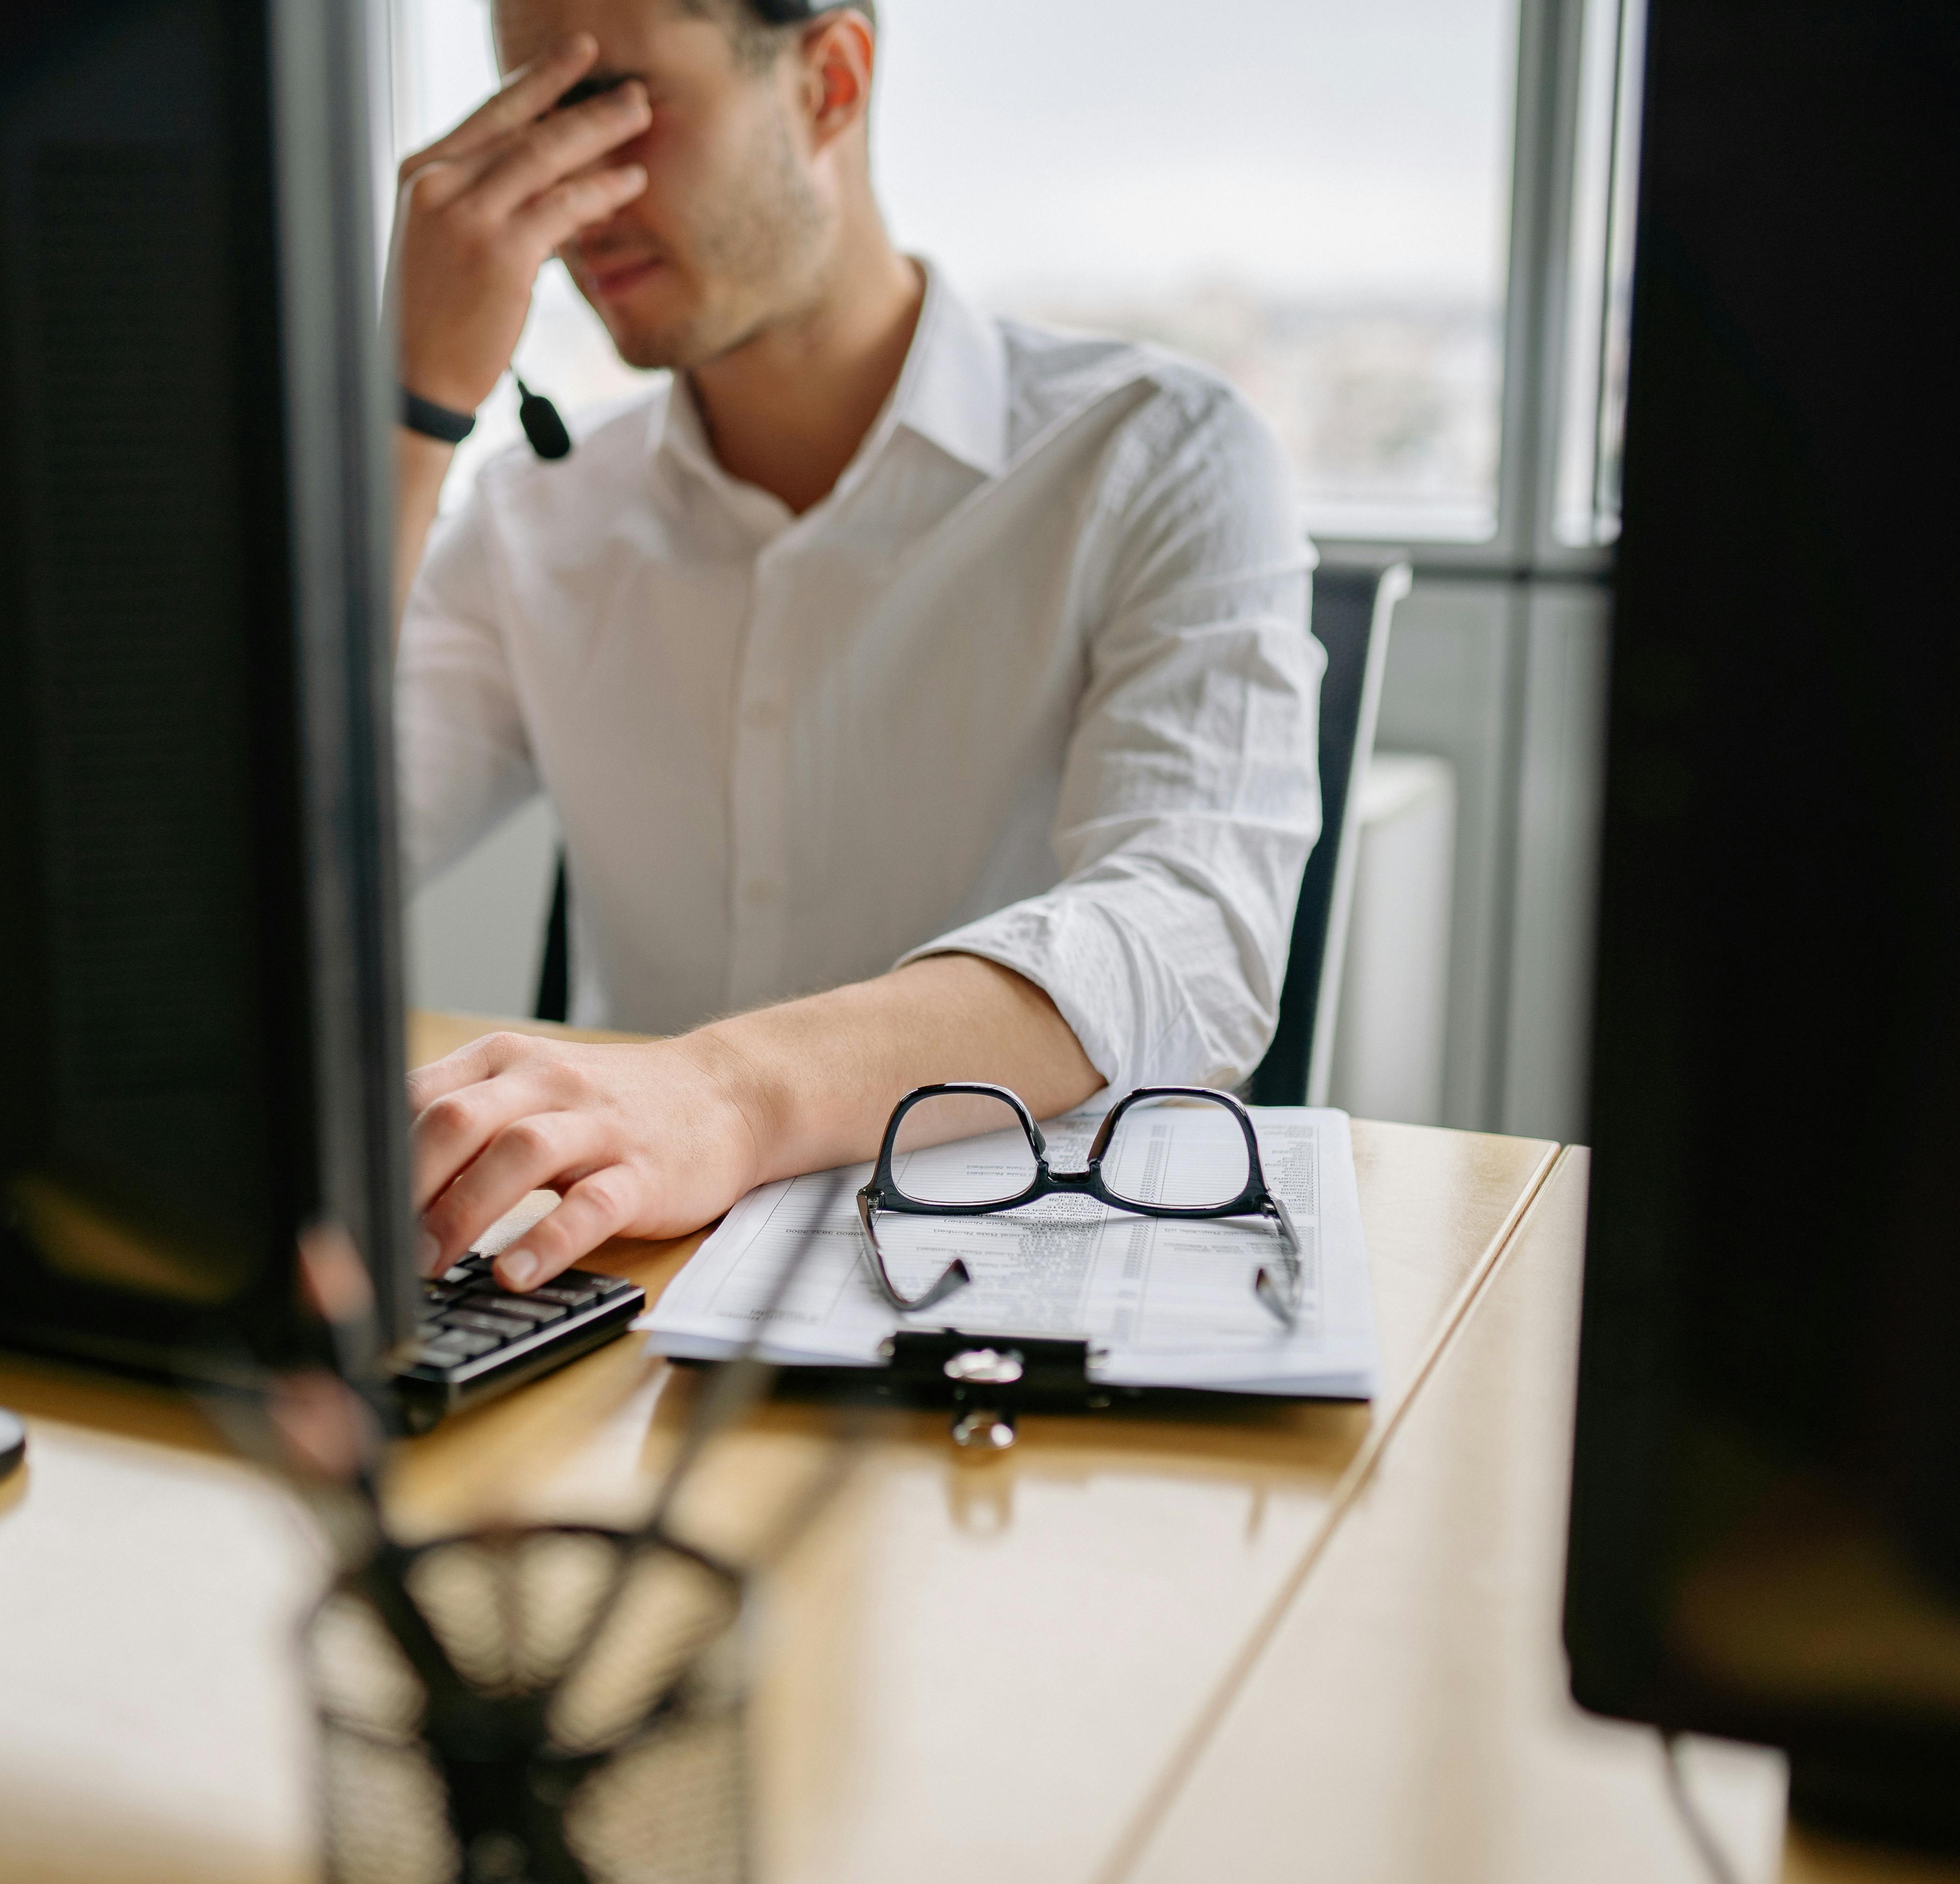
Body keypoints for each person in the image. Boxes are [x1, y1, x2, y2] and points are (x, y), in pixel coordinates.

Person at [389, 0, 1323, 1294]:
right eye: (523, 123)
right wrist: (408, 406)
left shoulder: (1158, 454)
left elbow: (1191, 935)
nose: (565, 200)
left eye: (610, 107)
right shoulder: (532, 519)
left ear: (829, 80)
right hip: (623, 1302)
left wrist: (718, 1093)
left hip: (1014, 1300)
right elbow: (263, 875)